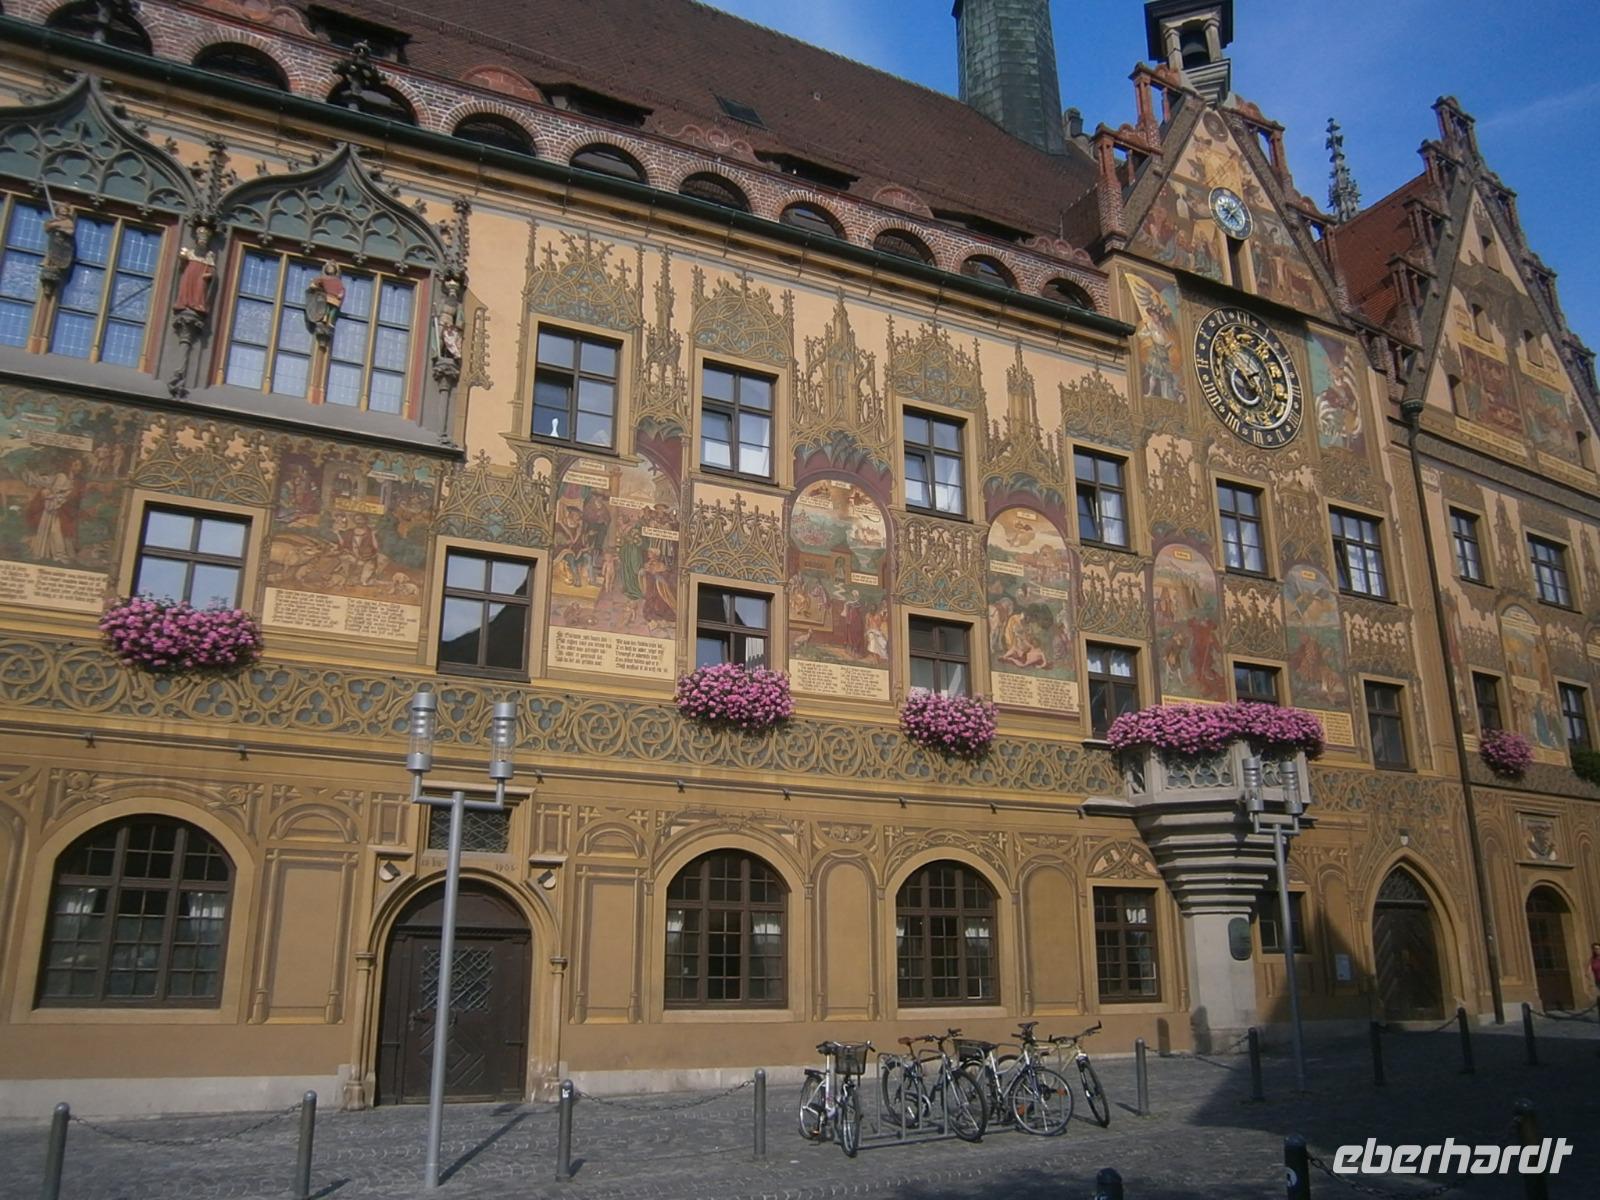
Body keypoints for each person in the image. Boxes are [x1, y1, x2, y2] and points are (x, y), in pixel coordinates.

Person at [304, 260, 346, 337]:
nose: (330, 269)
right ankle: (324, 318)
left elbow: (342, 289)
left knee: (333, 310)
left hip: (335, 298)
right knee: (326, 309)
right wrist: (313, 285)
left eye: (332, 268)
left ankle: (330, 321)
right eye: (329, 268)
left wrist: (341, 294)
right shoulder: (323, 278)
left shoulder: (337, 281)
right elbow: (315, 282)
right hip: (327, 297)